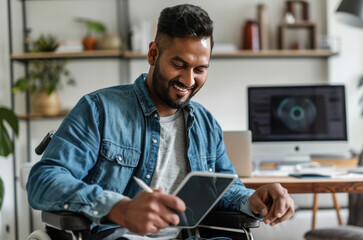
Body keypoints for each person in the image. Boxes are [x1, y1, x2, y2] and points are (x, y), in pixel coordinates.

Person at [27, 4, 294, 239]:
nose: (189, 81)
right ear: (153, 54)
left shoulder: (205, 124)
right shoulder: (99, 110)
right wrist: (118, 207)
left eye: (200, 69)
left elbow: (225, 188)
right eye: (179, 64)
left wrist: (253, 200)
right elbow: (43, 180)